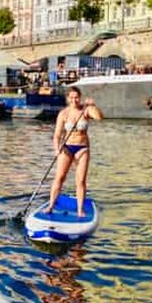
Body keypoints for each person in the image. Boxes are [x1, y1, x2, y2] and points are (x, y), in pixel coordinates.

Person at [46, 86, 103, 217]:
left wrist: (93, 105)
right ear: (67, 99)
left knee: (81, 180)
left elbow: (99, 117)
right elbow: (57, 135)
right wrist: (56, 148)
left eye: (76, 97)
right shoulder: (63, 114)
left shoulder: (86, 110)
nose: (74, 100)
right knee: (59, 177)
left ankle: (80, 210)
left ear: (80, 97)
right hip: (67, 148)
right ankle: (51, 205)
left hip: (82, 148)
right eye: (71, 98)